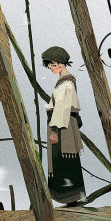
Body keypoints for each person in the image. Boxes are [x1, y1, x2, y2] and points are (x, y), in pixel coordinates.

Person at [42, 46, 85, 206]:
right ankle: (70, 200)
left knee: (63, 161)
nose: (50, 68)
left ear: (59, 63)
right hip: (63, 125)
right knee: (64, 161)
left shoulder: (66, 84)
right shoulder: (64, 82)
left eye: (51, 65)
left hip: (62, 128)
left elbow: (62, 109)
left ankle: (70, 200)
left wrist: (54, 131)